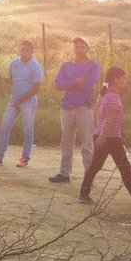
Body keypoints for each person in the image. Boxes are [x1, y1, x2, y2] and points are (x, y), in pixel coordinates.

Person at [78, 67, 131, 206]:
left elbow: (104, 118)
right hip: (110, 138)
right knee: (124, 167)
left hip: (104, 136)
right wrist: (104, 137)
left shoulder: (104, 95)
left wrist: (103, 136)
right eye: (123, 78)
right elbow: (109, 119)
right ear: (115, 79)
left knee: (96, 166)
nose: (125, 81)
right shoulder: (112, 97)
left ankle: (84, 194)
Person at [49, 37, 100, 184]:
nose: (79, 49)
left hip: (83, 107)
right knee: (66, 142)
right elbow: (58, 84)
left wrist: (68, 84)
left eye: (82, 47)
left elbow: (89, 84)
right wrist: (75, 82)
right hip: (67, 107)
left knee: (87, 143)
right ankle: (64, 173)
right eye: (76, 47)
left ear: (87, 48)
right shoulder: (66, 65)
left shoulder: (93, 65)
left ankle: (89, 176)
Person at [0, 40, 42, 167]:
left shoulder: (35, 66)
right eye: (22, 49)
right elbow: (12, 80)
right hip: (14, 100)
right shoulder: (14, 63)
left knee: (28, 129)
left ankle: (25, 158)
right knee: (4, 127)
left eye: (26, 50)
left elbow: (36, 88)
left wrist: (21, 100)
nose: (23, 52)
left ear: (31, 52)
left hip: (28, 102)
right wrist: (3, 80)